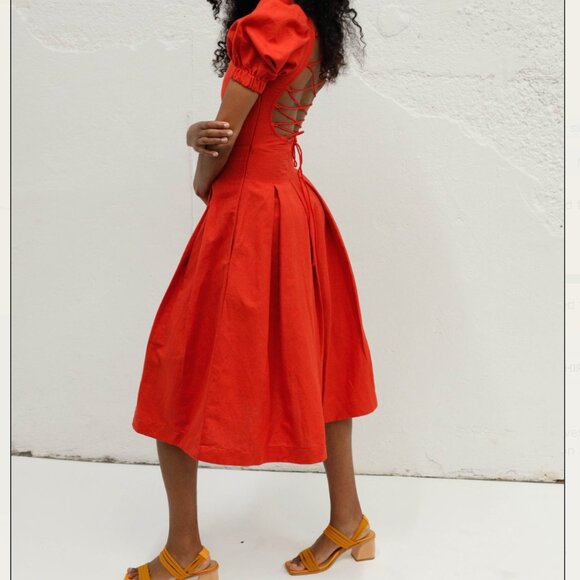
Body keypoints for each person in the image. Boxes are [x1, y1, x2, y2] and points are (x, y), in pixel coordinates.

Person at [126, 0, 378, 577]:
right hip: (293, 206)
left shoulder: (271, 20)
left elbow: (225, 138)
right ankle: (350, 522)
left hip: (249, 212)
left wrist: (201, 175)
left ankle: (184, 554)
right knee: (323, 364)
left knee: (176, 370)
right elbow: (244, 124)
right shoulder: (308, 22)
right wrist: (199, 134)